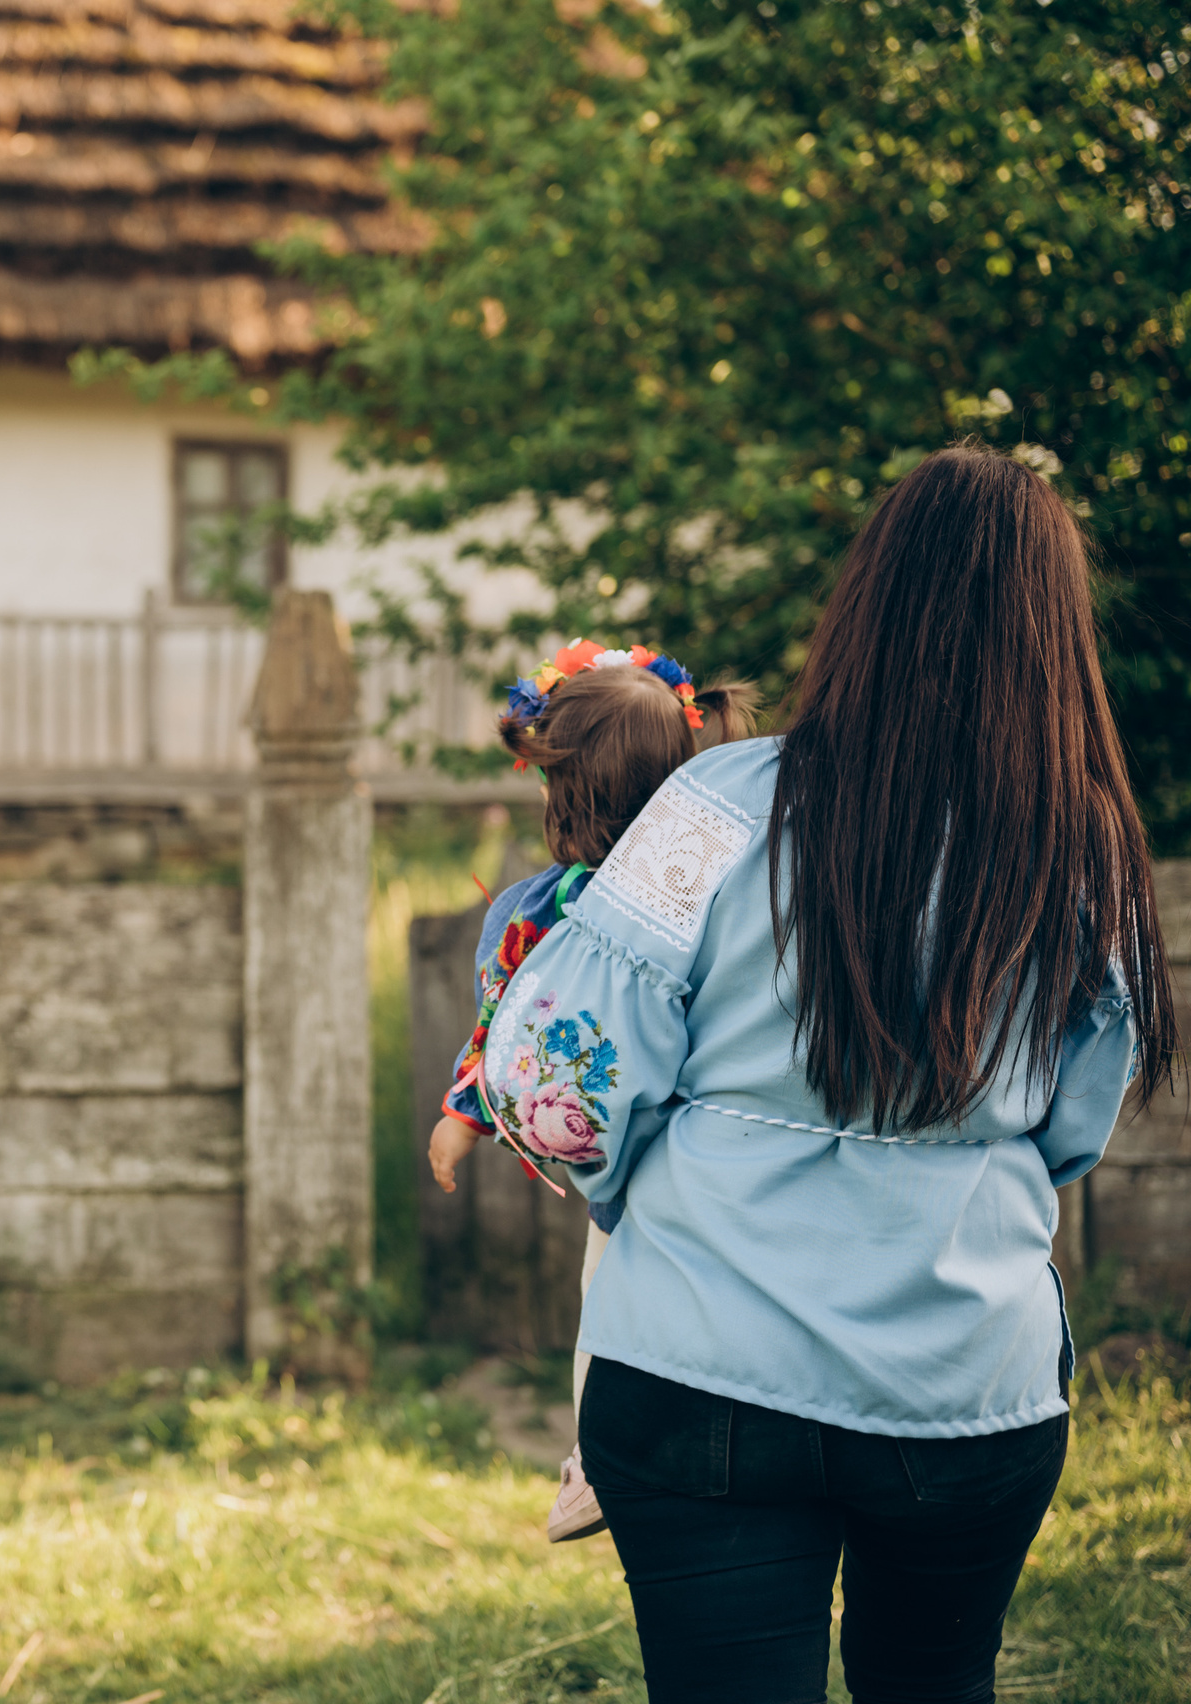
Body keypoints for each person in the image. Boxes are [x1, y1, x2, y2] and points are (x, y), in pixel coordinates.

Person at [473, 444, 1175, 1704]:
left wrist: (633, 1182)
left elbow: (550, 1086)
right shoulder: (1084, 848)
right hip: (971, 1385)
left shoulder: (713, 809)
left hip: (698, 1371)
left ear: (863, 606)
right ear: (1051, 633)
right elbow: (1077, 1117)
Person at [428, 640, 756, 1544]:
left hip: (627, 1172)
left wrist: (465, 1115)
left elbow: (506, 1034)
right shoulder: (732, 881)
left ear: (566, 794)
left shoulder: (540, 911)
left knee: (605, 1305)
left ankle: (597, 1461)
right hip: (728, 1152)